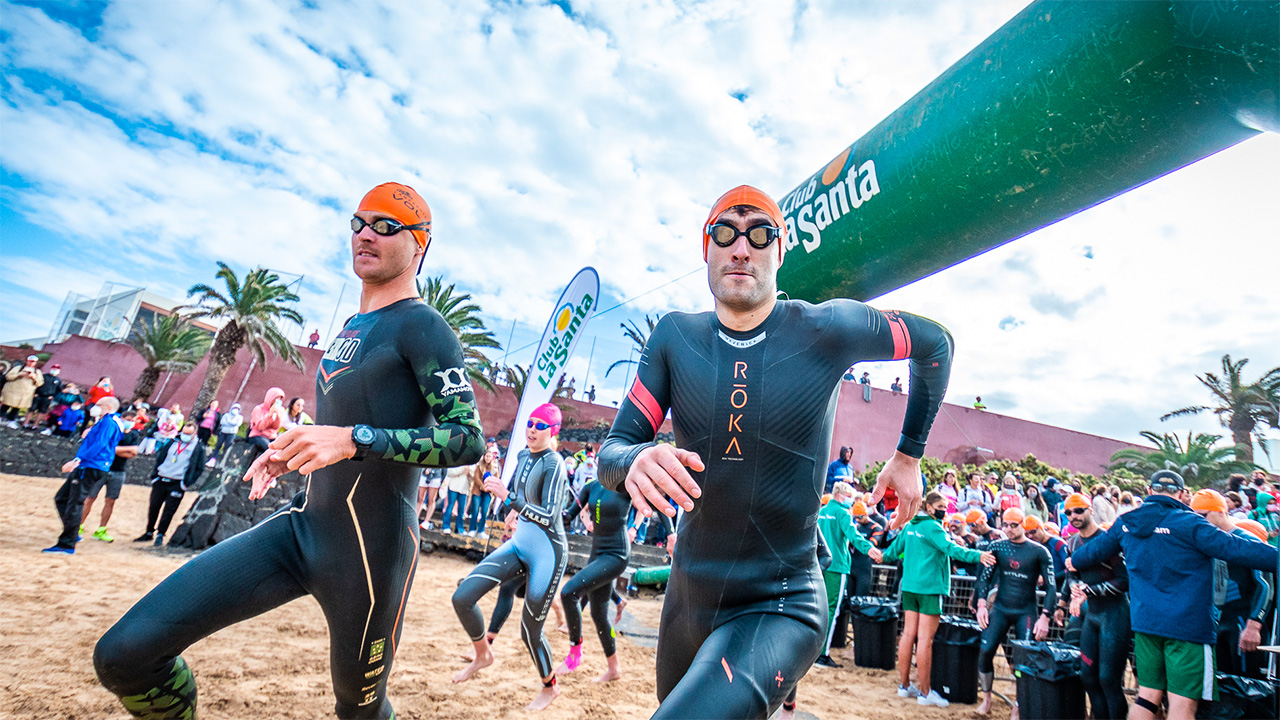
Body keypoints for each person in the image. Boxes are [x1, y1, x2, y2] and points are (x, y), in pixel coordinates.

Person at [95, 181, 486, 720]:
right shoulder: (354, 326)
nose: (365, 234)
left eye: (386, 226)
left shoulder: (424, 326)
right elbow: (345, 427)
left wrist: (352, 439)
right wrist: (291, 446)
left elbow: (467, 440)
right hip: (302, 530)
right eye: (358, 223)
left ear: (419, 245)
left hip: (371, 555)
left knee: (359, 710)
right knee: (123, 655)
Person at [597, 185, 952, 719]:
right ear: (706, 247)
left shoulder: (827, 327)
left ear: (780, 252)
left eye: (759, 234)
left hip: (781, 599)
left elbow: (935, 345)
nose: (742, 248)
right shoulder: (675, 337)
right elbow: (612, 450)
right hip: (690, 598)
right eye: (726, 232)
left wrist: (909, 455)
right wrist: (636, 460)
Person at [1070, 470, 1279, 720]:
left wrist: (1072, 563)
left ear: (1149, 492)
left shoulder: (1125, 523)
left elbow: (1083, 556)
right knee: (1183, 704)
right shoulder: (1190, 523)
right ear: (1181, 495)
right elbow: (1239, 548)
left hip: (1146, 625)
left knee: (1147, 698)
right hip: (1188, 629)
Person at [452, 403, 569, 711]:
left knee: (529, 629)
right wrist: (509, 511)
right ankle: (483, 654)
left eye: (540, 425)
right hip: (519, 544)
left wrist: (508, 498)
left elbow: (551, 514)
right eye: (530, 422)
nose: (532, 429)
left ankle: (550, 687)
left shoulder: (555, 463)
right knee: (463, 597)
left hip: (548, 552)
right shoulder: (522, 456)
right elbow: (515, 495)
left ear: (553, 432)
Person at [883, 490, 994, 707]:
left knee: (908, 635)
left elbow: (890, 553)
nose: (945, 511)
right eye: (942, 507)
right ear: (931, 507)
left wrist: (874, 553)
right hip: (930, 589)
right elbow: (952, 549)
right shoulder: (934, 528)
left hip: (910, 587)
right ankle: (925, 692)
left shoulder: (910, 526)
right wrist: (978, 556)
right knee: (925, 641)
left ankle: (905, 686)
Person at [975, 507, 1055, 717]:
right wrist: (982, 604)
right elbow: (984, 577)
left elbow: (1051, 587)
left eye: (1014, 525)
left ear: (1023, 525)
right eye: (1005, 525)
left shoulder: (1039, 551)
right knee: (985, 651)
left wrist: (1045, 616)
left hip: (1025, 611)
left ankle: (1019, 705)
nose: (1008, 529)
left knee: (1024, 660)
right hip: (1001, 608)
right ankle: (987, 699)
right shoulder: (997, 546)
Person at [1058, 492, 1131, 720]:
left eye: (1079, 510)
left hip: (1114, 613)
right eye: (1068, 512)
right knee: (1088, 676)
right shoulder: (1072, 542)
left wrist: (1088, 591)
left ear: (1090, 509)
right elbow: (1072, 575)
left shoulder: (1109, 540)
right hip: (1093, 615)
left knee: (1109, 679)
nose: (1073, 516)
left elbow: (1124, 580)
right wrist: (1076, 589)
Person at [1190, 490, 1275, 681]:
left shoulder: (1247, 539)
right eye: (1194, 517)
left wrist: (1254, 625)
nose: (1199, 521)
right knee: (1224, 687)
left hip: (1243, 622)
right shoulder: (1205, 542)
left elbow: (1265, 585)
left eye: (1203, 516)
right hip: (1217, 624)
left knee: (1253, 687)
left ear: (1221, 511)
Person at [557, 472, 633, 683]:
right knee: (598, 615)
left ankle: (574, 656)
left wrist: (671, 533)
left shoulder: (626, 484)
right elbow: (568, 515)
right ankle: (614, 668)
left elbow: (655, 503)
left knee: (569, 592)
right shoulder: (591, 486)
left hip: (616, 554)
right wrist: (553, 512)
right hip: (597, 552)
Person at [814, 482, 883, 668]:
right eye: (849, 496)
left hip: (820, 566)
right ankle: (822, 654)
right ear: (840, 495)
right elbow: (854, 536)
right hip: (837, 566)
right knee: (831, 610)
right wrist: (870, 549)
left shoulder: (821, 512)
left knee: (819, 608)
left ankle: (814, 652)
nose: (852, 500)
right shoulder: (842, 513)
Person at [44, 396, 123, 554]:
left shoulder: (109, 422)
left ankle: (67, 543)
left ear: (107, 407)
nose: (94, 407)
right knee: (62, 498)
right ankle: (72, 533)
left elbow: (100, 444)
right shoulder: (107, 421)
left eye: (98, 405)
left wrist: (78, 460)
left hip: (90, 466)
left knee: (75, 503)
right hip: (90, 465)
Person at [135, 420, 208, 546]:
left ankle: (160, 534)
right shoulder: (173, 442)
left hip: (177, 483)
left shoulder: (198, 447)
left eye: (188, 434)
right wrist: (155, 476)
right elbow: (161, 457)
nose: (185, 435)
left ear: (194, 434)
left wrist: (186, 483)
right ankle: (148, 532)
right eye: (184, 432)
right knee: (154, 506)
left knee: (169, 511)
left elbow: (199, 468)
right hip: (161, 479)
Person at [80, 407, 143, 543]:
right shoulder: (113, 430)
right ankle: (79, 525)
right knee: (90, 497)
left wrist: (111, 449)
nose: (130, 423)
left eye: (133, 421)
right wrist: (122, 450)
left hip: (118, 471)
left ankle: (102, 529)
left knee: (111, 500)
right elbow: (124, 450)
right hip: (101, 468)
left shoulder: (134, 435)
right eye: (128, 420)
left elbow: (133, 452)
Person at [1024, 515, 1069, 593]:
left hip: (1060, 589)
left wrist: (1048, 578)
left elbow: (1069, 569)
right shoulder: (1034, 546)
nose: (1030, 536)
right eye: (1027, 534)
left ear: (1041, 528)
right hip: (1043, 590)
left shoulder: (1058, 544)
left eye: (1033, 532)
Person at [2, 355, 43, 427]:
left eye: (33, 362)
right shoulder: (19, 368)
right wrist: (19, 374)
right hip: (13, 391)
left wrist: (34, 377)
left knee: (16, 408)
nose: (31, 363)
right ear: (27, 361)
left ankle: (11, 420)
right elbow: (8, 376)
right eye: (30, 361)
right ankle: (1, 417)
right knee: (6, 405)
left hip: (24, 394)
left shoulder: (37, 371)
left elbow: (40, 383)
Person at [245, 389, 284, 463]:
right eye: (276, 398)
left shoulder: (281, 410)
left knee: (280, 449)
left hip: (272, 436)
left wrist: (278, 416)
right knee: (268, 448)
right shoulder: (259, 409)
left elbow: (276, 427)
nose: (277, 401)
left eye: (280, 399)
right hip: (258, 435)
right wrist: (269, 415)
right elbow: (260, 427)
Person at [465, 447, 498, 537]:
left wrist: (490, 488)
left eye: (489, 457)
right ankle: (472, 529)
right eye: (486, 456)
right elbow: (476, 478)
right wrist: (482, 486)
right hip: (478, 491)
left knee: (484, 511)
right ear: (484, 457)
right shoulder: (479, 466)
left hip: (488, 492)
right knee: (475, 510)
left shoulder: (494, 468)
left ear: (492, 458)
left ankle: (481, 530)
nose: (487, 458)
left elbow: (496, 479)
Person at [26, 362, 62, 429]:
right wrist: (35, 393)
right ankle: (25, 423)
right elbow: (37, 384)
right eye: (54, 368)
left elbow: (58, 390)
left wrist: (52, 396)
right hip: (38, 395)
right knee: (31, 409)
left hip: (47, 398)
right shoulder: (44, 376)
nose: (55, 370)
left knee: (42, 411)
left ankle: (35, 425)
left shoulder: (58, 380)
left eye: (57, 369)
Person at [440, 462, 471, 535]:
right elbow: (450, 472)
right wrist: (462, 470)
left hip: (464, 489)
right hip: (453, 487)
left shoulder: (470, 462)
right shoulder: (456, 460)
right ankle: (446, 526)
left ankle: (459, 528)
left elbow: (473, 474)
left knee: (461, 510)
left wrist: (469, 471)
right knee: (450, 506)